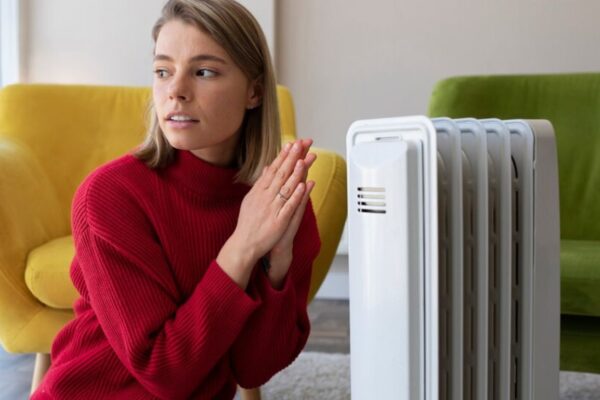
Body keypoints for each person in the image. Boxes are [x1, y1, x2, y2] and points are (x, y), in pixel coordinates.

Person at [30, 0, 320, 398]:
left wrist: (277, 263)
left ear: (254, 91)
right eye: (163, 71)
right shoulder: (110, 196)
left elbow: (254, 368)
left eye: (203, 72)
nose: (176, 92)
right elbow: (162, 370)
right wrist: (242, 247)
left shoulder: (277, 201)